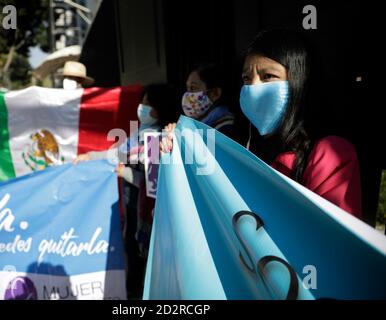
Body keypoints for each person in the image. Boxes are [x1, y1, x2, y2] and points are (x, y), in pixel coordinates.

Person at [162, 29, 362, 218]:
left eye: (268, 76)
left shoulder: (330, 153)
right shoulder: (243, 145)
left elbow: (331, 241)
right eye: (247, 79)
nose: (253, 88)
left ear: (301, 82)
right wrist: (175, 150)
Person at [74, 83, 180, 299]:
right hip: (132, 210)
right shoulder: (138, 134)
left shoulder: (157, 139)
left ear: (161, 108)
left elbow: (152, 184)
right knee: (131, 252)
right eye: (142, 101)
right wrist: (90, 157)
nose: (141, 107)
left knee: (141, 258)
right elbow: (117, 154)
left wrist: (123, 172)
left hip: (146, 216)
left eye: (148, 103)